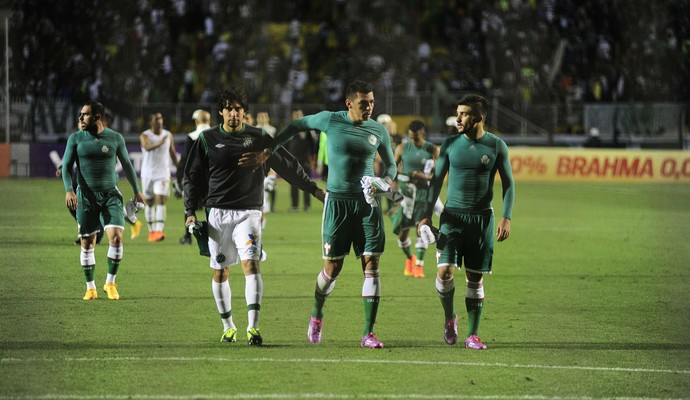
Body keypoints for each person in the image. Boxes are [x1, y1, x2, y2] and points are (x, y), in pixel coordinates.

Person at [240, 80, 397, 349]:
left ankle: (368, 333)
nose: (369, 107)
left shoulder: (378, 130)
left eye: (371, 102)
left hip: (367, 205)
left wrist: (385, 182)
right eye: (363, 103)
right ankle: (317, 313)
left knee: (372, 266)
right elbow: (296, 126)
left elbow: (392, 166)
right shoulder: (329, 120)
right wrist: (270, 149)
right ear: (349, 103)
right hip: (336, 204)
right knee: (332, 269)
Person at [183, 86, 325, 346]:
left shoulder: (259, 137)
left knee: (251, 265)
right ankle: (228, 327)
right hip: (217, 214)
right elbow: (192, 177)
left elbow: (287, 164)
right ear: (222, 113)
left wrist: (313, 189)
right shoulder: (207, 139)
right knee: (220, 272)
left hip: (249, 212)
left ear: (244, 113)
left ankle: (253, 328)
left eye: (239, 109)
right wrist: (190, 211)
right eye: (229, 109)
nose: (234, 114)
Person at [418, 94, 515, 350]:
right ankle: (450, 317)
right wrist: (426, 215)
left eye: (464, 114)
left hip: (482, 219)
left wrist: (506, 217)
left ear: (479, 118)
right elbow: (436, 181)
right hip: (452, 217)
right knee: (444, 272)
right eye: (457, 113)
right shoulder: (449, 145)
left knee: (475, 278)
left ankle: (473, 335)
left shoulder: (496, 146)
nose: (458, 118)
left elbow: (509, 185)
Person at [62, 100, 145, 301]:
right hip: (86, 197)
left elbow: (127, 165)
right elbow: (66, 167)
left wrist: (137, 191)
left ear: (98, 117)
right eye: (81, 114)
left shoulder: (115, 138)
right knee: (87, 243)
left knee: (116, 237)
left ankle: (110, 283)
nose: (80, 118)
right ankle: (90, 288)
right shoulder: (75, 139)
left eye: (85, 114)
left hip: (111, 196)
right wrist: (69, 190)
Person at [391, 120, 439, 278]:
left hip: (422, 195)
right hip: (405, 197)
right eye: (411, 137)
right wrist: (394, 195)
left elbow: (439, 175)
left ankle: (419, 265)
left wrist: (424, 176)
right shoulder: (402, 148)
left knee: (422, 229)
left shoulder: (432, 149)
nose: (413, 140)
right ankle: (409, 258)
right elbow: (392, 171)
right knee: (402, 233)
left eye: (416, 138)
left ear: (423, 134)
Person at [139, 112, 179, 242]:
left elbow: (172, 153)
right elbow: (147, 147)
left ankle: (159, 230)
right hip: (147, 174)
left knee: (161, 199)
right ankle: (151, 232)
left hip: (162, 173)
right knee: (149, 202)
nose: (160, 122)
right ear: (151, 122)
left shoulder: (168, 135)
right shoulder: (145, 135)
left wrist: (180, 169)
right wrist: (160, 143)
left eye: (161, 119)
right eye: (157, 119)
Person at [176, 109, 211, 245]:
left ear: (196, 121)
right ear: (209, 120)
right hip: (211, 179)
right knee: (211, 207)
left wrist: (180, 179)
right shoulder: (214, 135)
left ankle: (188, 236)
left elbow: (185, 161)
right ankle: (212, 235)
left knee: (189, 208)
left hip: (195, 179)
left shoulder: (191, 137)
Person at [285, 109, 317, 212]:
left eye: (300, 115)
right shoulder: (289, 130)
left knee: (306, 183)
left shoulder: (308, 130)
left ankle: (307, 205)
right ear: (293, 117)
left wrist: (313, 160)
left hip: (305, 161)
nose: (298, 116)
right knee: (293, 184)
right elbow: (285, 146)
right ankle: (295, 205)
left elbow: (313, 146)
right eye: (296, 115)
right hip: (293, 160)